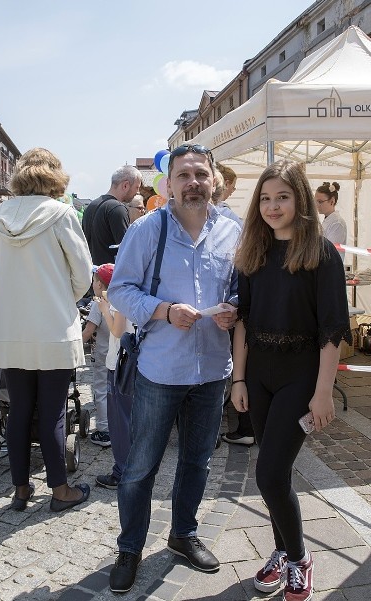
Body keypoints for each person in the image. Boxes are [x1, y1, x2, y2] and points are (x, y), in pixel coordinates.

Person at [107, 143, 241, 593]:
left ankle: (183, 535)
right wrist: (164, 310)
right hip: (161, 371)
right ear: (169, 184)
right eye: (184, 175)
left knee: (197, 462)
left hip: (211, 370)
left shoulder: (233, 230)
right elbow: (120, 291)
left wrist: (235, 309)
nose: (193, 183)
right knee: (141, 466)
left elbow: (242, 289)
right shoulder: (147, 229)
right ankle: (130, 549)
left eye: (201, 174)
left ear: (214, 180)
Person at [231, 160, 351, 601]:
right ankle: (282, 550)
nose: (272, 206)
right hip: (259, 374)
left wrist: (323, 393)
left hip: (301, 377)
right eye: (265, 198)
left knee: (268, 474)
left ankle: (299, 558)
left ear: (300, 199)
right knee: (274, 473)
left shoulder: (321, 254)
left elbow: (332, 329)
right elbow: (242, 321)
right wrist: (238, 379)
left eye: (282, 196)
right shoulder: (252, 253)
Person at [0, 148, 93, 513]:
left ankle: (20, 488)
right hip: (53, 329)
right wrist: (62, 300)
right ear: (55, 176)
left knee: (18, 411)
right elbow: (83, 275)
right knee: (51, 412)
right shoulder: (62, 213)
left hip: (12, 328)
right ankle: (60, 491)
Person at [213, 164, 252, 446]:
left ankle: (217, 427)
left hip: (226, 320)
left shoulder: (231, 224)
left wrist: (234, 304)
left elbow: (242, 282)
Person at [92, 263, 135, 489]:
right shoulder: (135, 287)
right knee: (130, 419)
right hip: (132, 361)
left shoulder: (121, 293)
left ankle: (121, 472)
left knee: (119, 422)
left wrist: (104, 310)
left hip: (120, 363)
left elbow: (117, 330)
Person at [82, 165, 143, 265]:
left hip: (91, 274)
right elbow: (127, 250)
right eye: (137, 187)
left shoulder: (91, 206)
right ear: (125, 185)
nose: (137, 192)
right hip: (110, 275)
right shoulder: (118, 209)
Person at [81, 271, 112, 447]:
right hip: (120, 355)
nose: (92, 284)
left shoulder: (98, 304)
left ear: (99, 284)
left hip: (103, 356)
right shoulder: (121, 300)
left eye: (94, 280)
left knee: (101, 391)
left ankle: (104, 430)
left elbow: (88, 331)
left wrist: (74, 347)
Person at [315, 182, 347, 262]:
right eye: (315, 201)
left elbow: (328, 252)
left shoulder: (337, 223)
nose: (316, 205)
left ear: (332, 201)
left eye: (320, 202)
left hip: (331, 267)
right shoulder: (328, 220)